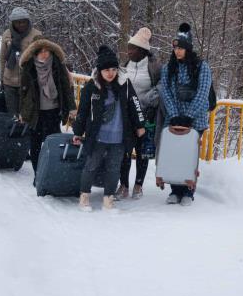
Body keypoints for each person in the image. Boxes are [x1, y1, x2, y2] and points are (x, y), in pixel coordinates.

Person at [72, 46, 146, 212]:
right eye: (106, 70)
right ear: (99, 70)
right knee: (91, 166)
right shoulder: (92, 87)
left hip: (119, 137)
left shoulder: (124, 84)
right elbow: (82, 111)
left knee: (114, 169)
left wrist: (140, 125)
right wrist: (78, 132)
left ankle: (108, 199)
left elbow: (135, 105)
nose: (110, 73)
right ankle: (84, 196)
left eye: (113, 69)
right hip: (96, 136)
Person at [158, 23, 212, 206]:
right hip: (174, 117)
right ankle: (175, 189)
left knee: (190, 154)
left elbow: (203, 92)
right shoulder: (168, 68)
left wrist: (189, 116)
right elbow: (165, 90)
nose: (177, 51)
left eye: (181, 48)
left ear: (187, 48)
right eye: (175, 48)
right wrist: (174, 114)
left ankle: (189, 191)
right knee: (174, 153)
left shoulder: (201, 67)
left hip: (195, 118)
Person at [19, 35, 75, 175]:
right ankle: (38, 173)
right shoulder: (29, 67)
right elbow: (23, 91)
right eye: (40, 51)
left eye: (47, 50)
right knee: (35, 142)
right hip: (35, 112)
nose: (44, 54)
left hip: (54, 110)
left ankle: (54, 171)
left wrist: (72, 107)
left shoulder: (57, 65)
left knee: (55, 142)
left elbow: (66, 87)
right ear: (35, 52)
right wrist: (21, 111)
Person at [118, 27, 162, 200]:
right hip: (126, 116)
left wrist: (153, 96)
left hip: (146, 115)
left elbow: (161, 85)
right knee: (125, 151)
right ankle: (123, 185)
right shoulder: (124, 64)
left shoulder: (154, 67)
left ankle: (138, 185)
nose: (129, 51)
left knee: (142, 151)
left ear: (142, 51)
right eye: (128, 48)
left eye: (133, 48)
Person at [1, 7, 42, 117]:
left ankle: (26, 134)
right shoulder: (7, 34)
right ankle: (13, 134)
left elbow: (42, 59)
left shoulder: (36, 35)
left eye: (23, 21)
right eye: (18, 22)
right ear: (13, 23)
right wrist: (1, 78)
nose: (21, 25)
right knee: (12, 115)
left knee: (27, 114)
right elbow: (3, 58)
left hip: (28, 81)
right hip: (9, 81)